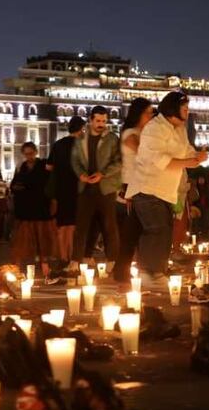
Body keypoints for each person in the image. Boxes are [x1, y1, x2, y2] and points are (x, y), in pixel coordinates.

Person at [127, 91, 207, 285]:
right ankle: (148, 272)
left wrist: (197, 157)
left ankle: (157, 271)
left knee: (165, 230)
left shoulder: (179, 129)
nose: (187, 111)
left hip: (165, 191)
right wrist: (188, 162)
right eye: (184, 108)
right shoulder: (155, 128)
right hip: (147, 187)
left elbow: (186, 151)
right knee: (156, 229)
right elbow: (161, 161)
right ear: (173, 108)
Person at [70, 106, 122, 269]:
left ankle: (112, 260)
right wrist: (81, 175)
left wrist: (103, 174)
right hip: (85, 188)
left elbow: (119, 162)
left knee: (109, 226)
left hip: (106, 188)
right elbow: (75, 160)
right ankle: (76, 260)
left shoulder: (112, 139)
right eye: (98, 121)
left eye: (104, 121)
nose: (101, 124)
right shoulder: (81, 139)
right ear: (91, 120)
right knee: (82, 226)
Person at [114, 98, 153, 285]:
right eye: (148, 112)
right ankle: (123, 270)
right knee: (131, 232)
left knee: (135, 231)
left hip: (138, 185)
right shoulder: (131, 134)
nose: (151, 116)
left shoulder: (140, 133)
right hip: (130, 187)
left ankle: (124, 270)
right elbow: (142, 155)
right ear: (139, 113)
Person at [9, 142, 57, 274]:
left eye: (31, 153)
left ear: (35, 152)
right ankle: (18, 267)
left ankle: (44, 264)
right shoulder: (22, 167)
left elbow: (50, 183)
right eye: (26, 154)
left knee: (42, 238)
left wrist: (52, 199)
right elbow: (15, 184)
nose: (29, 156)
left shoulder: (43, 165)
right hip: (25, 207)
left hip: (40, 205)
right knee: (23, 239)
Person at [46, 117, 85, 265]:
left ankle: (63, 257)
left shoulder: (58, 144)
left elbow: (49, 167)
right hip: (77, 189)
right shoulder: (82, 145)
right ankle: (72, 257)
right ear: (81, 129)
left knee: (62, 225)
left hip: (61, 189)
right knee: (73, 225)